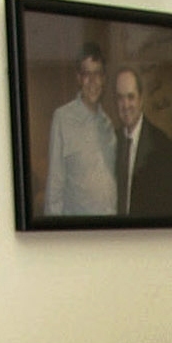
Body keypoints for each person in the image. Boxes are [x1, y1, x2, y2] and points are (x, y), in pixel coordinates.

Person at [44, 42, 116, 216]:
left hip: (110, 233)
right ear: (78, 78)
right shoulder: (62, 118)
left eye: (97, 73)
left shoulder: (108, 125)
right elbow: (55, 187)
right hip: (78, 235)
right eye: (86, 74)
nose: (92, 81)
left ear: (104, 78)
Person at [114, 66, 172, 218]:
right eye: (120, 98)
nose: (125, 105)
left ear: (141, 100)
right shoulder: (111, 143)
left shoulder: (162, 146)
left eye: (130, 97)